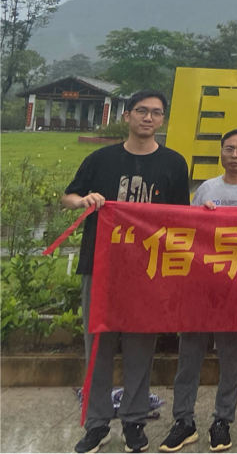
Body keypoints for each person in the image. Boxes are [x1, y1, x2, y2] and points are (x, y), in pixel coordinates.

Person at [64, 89, 190, 454]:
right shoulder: (100, 159)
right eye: (141, 111)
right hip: (100, 267)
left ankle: (135, 420)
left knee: (140, 348)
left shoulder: (173, 163)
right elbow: (69, 196)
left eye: (156, 113)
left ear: (162, 119)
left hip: (148, 271)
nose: (148, 118)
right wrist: (84, 201)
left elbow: (181, 217)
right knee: (98, 347)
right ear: (127, 116)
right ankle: (97, 423)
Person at [156, 129, 237, 453]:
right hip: (200, 286)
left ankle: (223, 421)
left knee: (231, 360)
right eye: (229, 149)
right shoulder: (206, 188)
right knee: (188, 358)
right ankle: (183, 421)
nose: (235, 155)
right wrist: (201, 216)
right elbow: (186, 232)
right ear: (221, 152)